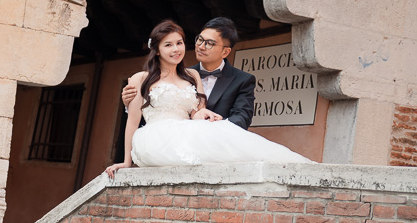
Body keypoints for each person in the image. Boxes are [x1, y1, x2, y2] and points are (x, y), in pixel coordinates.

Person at [105, 19, 311, 177]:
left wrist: (210, 118)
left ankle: (291, 165)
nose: (176, 49)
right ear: (157, 50)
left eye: (179, 43)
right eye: (168, 45)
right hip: (157, 136)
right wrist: (126, 161)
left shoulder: (192, 76)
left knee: (237, 141)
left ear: (225, 51)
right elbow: (132, 122)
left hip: (193, 131)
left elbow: (198, 112)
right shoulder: (141, 78)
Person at [121, 16, 256, 127]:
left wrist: (213, 126)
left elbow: (242, 118)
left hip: (218, 144)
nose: (201, 47)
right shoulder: (182, 75)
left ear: (225, 52)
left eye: (209, 43)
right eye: (200, 40)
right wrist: (132, 102)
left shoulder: (242, 80)